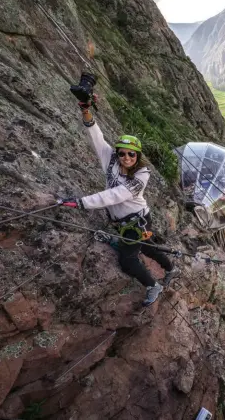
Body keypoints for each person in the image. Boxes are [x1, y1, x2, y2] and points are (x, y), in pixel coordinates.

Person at [63, 98, 179, 306]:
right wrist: (86, 110)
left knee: (128, 260)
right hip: (126, 222)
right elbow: (96, 136)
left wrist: (82, 203)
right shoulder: (111, 160)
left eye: (131, 154)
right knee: (147, 248)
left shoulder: (142, 175)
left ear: (138, 155)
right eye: (122, 153)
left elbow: (116, 195)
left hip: (138, 221)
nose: (126, 157)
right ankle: (171, 269)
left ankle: (154, 286)